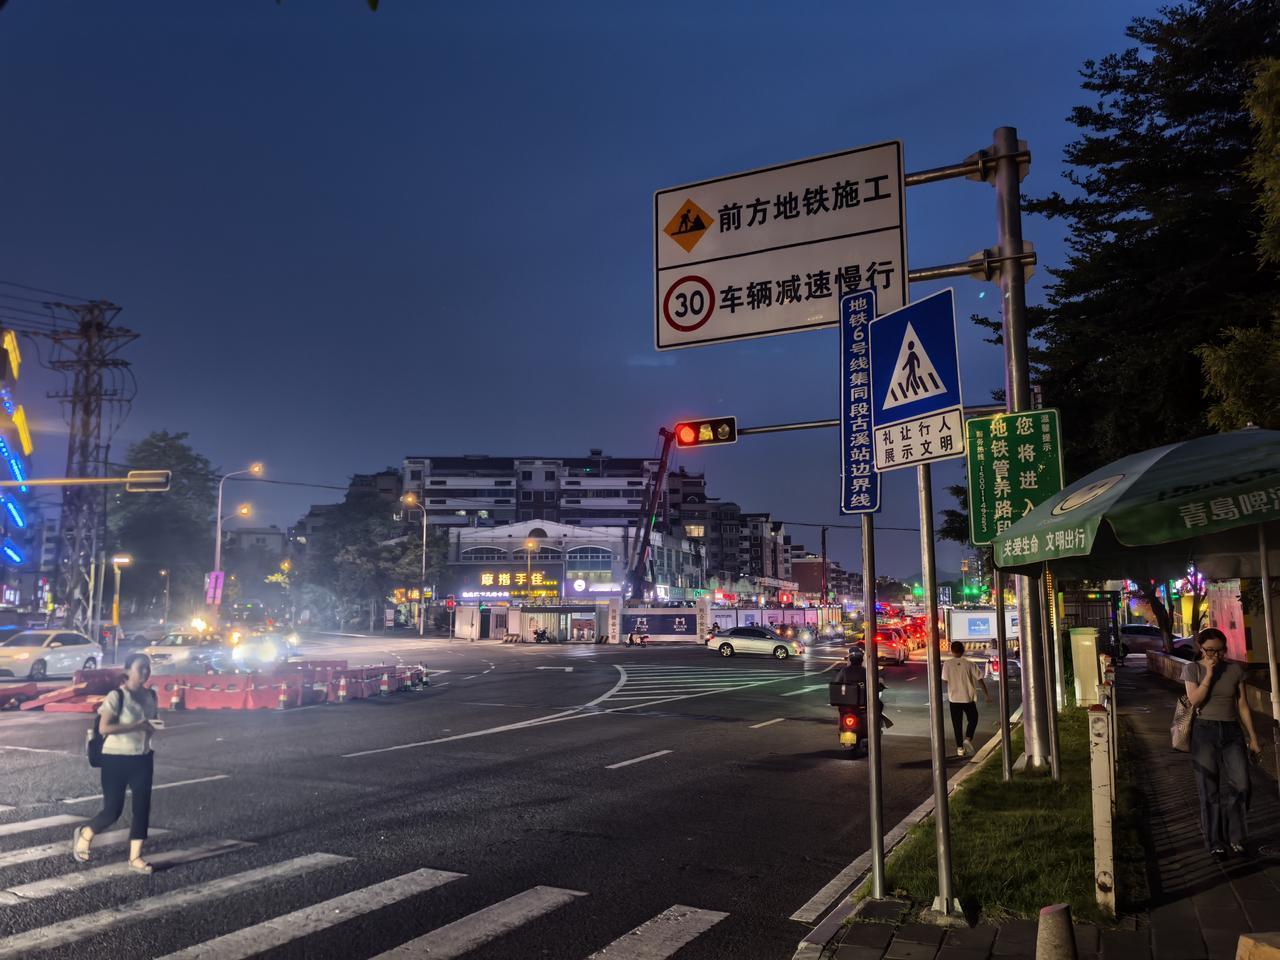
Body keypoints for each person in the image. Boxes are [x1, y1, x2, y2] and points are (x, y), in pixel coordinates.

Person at [72, 653, 160, 873]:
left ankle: (135, 857)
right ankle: (86, 833)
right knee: (113, 810)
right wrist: (138, 726)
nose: (146, 672)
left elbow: (149, 722)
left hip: (142, 758)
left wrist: (150, 729)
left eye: (148, 668)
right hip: (115, 759)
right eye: (141, 668)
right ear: (128, 671)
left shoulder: (152, 695)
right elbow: (105, 728)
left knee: (142, 809)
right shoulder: (117, 696)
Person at [1182, 627, 1263, 859]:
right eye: (1210, 651)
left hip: (1231, 732)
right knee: (1209, 790)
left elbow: (1243, 705)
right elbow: (1195, 700)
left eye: (1220, 651)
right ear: (1200, 648)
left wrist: (1254, 738)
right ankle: (1216, 841)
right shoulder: (1192, 669)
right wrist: (1208, 674)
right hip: (1204, 731)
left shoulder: (1235, 669)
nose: (1216, 656)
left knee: (1242, 785)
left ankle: (1235, 837)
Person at [941, 641, 991, 758]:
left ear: (952, 651)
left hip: (954, 699)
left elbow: (944, 679)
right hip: (968, 698)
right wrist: (986, 695)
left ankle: (960, 748)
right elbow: (980, 679)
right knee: (973, 718)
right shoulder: (970, 664)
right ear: (963, 650)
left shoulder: (947, 664)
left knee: (956, 724)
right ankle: (968, 738)